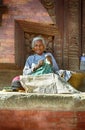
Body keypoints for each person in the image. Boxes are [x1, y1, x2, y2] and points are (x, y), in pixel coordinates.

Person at [11, 36, 80, 94]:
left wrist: (50, 63)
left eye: (40, 45)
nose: (38, 47)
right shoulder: (30, 58)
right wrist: (36, 67)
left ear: (44, 47)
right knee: (17, 80)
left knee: (60, 75)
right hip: (35, 79)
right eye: (36, 45)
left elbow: (56, 70)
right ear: (33, 48)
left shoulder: (48, 55)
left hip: (47, 78)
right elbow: (24, 73)